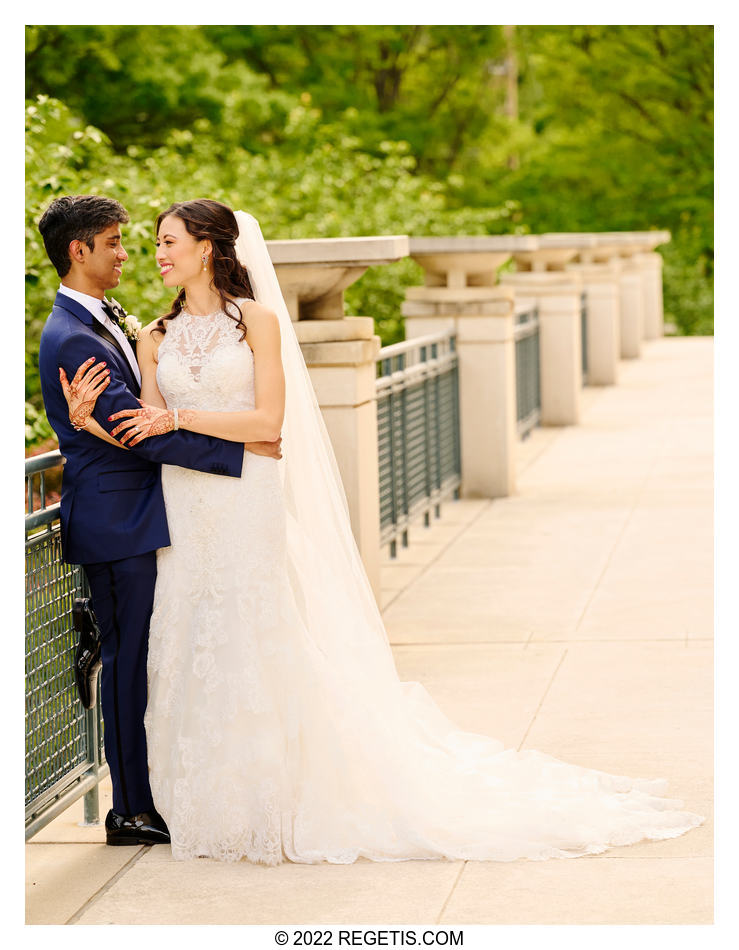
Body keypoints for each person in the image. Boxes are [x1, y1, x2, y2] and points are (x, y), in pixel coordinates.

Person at [63, 198, 705, 864]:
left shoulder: (256, 321)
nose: (156, 254)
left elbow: (267, 425)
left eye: (169, 242)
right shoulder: (155, 338)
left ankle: (277, 796)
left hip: (247, 502)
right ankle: (201, 800)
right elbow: (149, 432)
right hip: (187, 506)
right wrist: (92, 425)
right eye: (156, 244)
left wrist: (180, 419)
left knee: (253, 632)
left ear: (209, 247)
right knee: (190, 637)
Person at [36, 195, 282, 847]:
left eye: (136, 241)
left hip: (163, 510)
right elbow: (136, 431)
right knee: (127, 660)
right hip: (118, 518)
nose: (129, 253)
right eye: (115, 243)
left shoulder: (112, 320)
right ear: (77, 252)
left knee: (162, 653)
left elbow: (143, 413)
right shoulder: (68, 336)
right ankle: (130, 809)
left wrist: (101, 424)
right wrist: (239, 449)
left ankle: (168, 791)